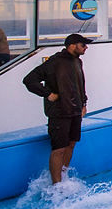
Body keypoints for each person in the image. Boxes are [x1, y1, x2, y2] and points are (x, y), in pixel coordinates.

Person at [23, 33, 93, 184]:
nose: (86, 47)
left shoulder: (77, 61)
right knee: (59, 149)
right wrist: (48, 94)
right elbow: (29, 80)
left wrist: (84, 104)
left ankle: (64, 177)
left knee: (71, 144)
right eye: (83, 45)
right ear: (72, 45)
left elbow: (80, 84)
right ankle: (56, 184)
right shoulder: (55, 62)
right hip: (59, 112)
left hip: (75, 111)